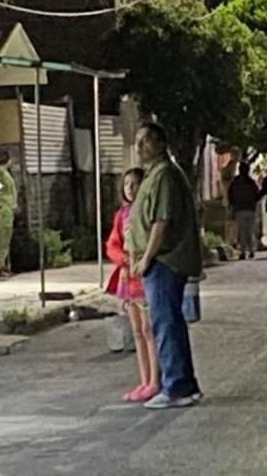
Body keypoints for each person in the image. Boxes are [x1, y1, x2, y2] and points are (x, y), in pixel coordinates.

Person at [126, 123, 202, 409]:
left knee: (166, 323)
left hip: (164, 261)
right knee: (167, 322)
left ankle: (176, 386)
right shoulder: (153, 175)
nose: (140, 146)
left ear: (161, 143)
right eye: (138, 141)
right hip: (156, 261)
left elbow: (162, 221)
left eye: (146, 141)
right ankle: (184, 383)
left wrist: (146, 257)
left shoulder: (165, 176)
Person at [105, 168, 159, 403]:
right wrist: (124, 259)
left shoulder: (147, 214)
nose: (130, 188)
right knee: (136, 331)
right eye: (126, 184)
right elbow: (112, 244)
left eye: (135, 184)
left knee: (149, 330)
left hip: (145, 275)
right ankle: (144, 379)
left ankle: (155, 381)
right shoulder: (122, 215)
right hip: (128, 278)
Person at [0, 148, 18, 277]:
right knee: (2, 239)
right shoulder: (2, 174)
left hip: (6, 208)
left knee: (5, 239)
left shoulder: (3, 173)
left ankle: (2, 266)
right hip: (4, 209)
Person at [227, 162, 260, 260]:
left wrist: (232, 206)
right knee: (250, 230)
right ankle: (251, 250)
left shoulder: (235, 182)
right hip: (250, 209)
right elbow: (256, 195)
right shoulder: (251, 182)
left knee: (242, 232)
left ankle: (243, 252)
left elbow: (230, 196)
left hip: (239, 209)